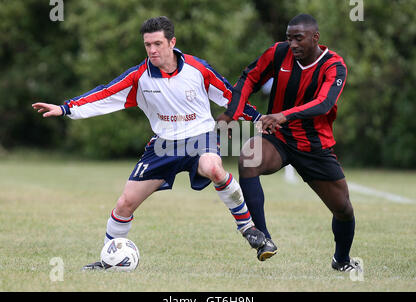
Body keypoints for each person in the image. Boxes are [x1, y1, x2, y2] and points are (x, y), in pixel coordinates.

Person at [32, 16, 268, 269]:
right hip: (163, 145)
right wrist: (66, 108)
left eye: (157, 43)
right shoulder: (139, 77)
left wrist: (257, 117)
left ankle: (247, 227)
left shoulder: (198, 70)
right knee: (125, 204)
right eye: (147, 45)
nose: (152, 50)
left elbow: (229, 96)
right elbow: (104, 94)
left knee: (213, 168)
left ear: (172, 42)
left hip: (201, 136)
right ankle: (108, 260)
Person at [218, 14, 361, 271]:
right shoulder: (278, 53)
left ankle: (341, 260)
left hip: (314, 146)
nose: (292, 44)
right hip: (279, 139)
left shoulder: (334, 65)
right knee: (248, 157)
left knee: (343, 209)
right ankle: (262, 238)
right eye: (289, 38)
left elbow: (324, 103)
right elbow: (249, 77)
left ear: (315, 38)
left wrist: (284, 115)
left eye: (299, 38)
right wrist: (231, 114)